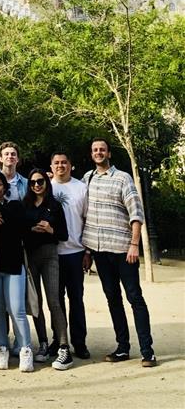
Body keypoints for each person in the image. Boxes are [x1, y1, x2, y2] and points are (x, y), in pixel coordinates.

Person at [82, 139, 156, 367]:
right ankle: (123, 347)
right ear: (91, 154)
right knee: (113, 299)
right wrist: (87, 250)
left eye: (102, 149)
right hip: (99, 251)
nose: (98, 152)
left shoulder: (123, 178)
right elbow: (84, 216)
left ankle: (147, 351)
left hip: (124, 250)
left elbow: (136, 213)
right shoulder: (87, 178)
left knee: (134, 298)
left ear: (109, 153)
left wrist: (134, 245)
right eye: (95, 150)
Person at [0, 171, 34, 373]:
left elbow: (22, 226)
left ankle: (25, 349)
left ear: (5, 187)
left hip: (13, 265)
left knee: (16, 309)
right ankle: (2, 348)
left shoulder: (14, 206)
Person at [23, 168, 74, 371]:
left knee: (54, 300)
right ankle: (43, 343)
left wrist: (50, 229)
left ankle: (63, 346)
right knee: (36, 302)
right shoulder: (25, 205)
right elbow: (19, 229)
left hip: (49, 255)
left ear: (47, 182)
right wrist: (30, 229)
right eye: (33, 182)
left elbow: (64, 235)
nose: (37, 185)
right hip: (31, 255)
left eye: (40, 181)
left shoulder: (55, 205)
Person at [50, 151, 90, 359]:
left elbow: (88, 220)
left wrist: (87, 250)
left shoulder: (81, 188)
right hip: (52, 253)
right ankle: (59, 340)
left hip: (75, 251)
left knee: (76, 299)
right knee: (55, 300)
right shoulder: (46, 187)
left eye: (64, 162)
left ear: (70, 165)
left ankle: (79, 342)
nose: (60, 166)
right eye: (56, 163)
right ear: (51, 166)